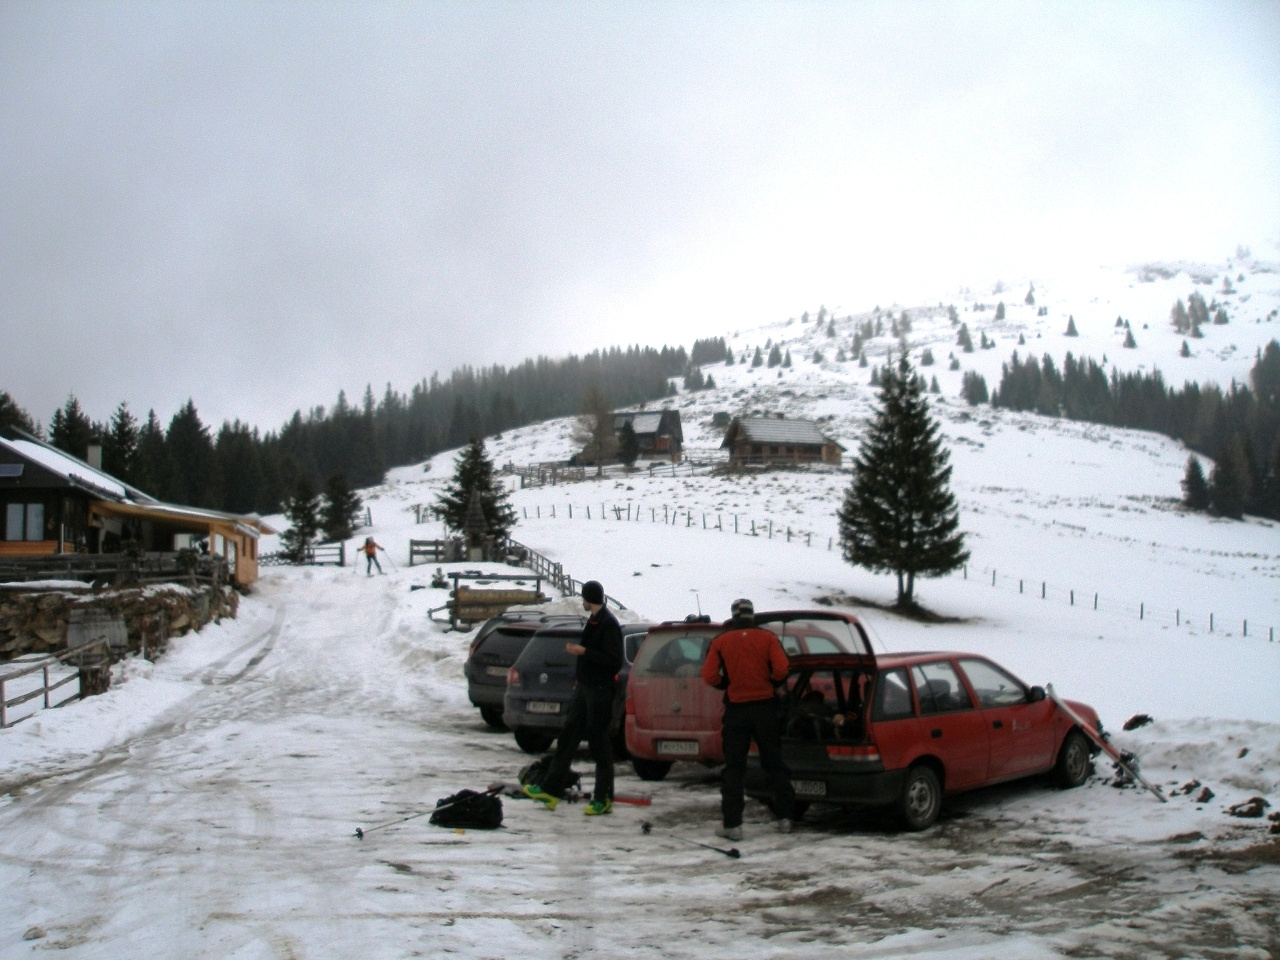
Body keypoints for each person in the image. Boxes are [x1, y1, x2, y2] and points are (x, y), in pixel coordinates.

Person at [523, 580, 622, 816]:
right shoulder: (594, 620)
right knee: (568, 736)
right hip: (584, 688)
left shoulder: (608, 624)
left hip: (599, 691)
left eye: (584, 599)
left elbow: (613, 660)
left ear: (590, 599)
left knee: (599, 743)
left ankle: (603, 797)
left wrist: (584, 652)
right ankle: (551, 789)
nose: (583, 602)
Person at [700, 598, 795, 840]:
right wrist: (773, 682)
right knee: (773, 762)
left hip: (737, 711)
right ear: (752, 616)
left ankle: (733, 825)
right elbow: (783, 668)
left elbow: (709, 676)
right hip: (765, 708)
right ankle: (785, 817)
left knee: (734, 768)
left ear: (733, 617)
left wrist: (728, 683)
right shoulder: (768, 638)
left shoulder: (720, 641)